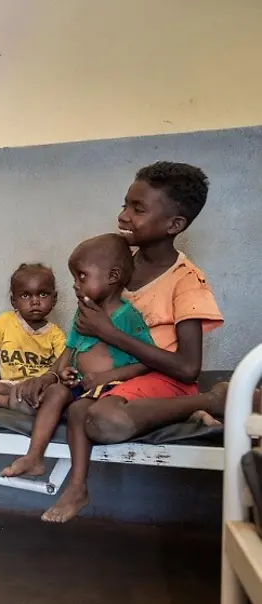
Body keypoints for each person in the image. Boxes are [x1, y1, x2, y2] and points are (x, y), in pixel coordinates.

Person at [17, 162, 224, 523]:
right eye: (125, 204)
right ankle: (74, 483)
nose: (123, 216)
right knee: (62, 406)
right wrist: (51, 375)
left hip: (165, 380)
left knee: (104, 419)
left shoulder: (186, 281)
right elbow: (79, 338)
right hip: (115, 382)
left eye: (138, 209)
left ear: (174, 224)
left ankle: (209, 400)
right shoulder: (110, 267)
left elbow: (188, 367)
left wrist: (110, 333)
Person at [1, 234, 153, 485]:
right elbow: (70, 351)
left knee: (75, 409)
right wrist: (56, 374)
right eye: (74, 278)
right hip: (80, 386)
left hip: (112, 389)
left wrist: (107, 377)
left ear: (112, 276)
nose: (74, 285)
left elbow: (147, 361)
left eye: (81, 277)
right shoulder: (83, 313)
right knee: (54, 393)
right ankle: (34, 456)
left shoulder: (127, 316)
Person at [0, 264, 66, 395]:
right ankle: (23, 400)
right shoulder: (3, 322)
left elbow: (62, 365)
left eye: (43, 294)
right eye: (25, 296)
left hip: (39, 386)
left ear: (54, 299)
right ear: (14, 301)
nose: (35, 301)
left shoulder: (55, 334)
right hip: (11, 385)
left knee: (58, 392)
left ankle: (22, 400)